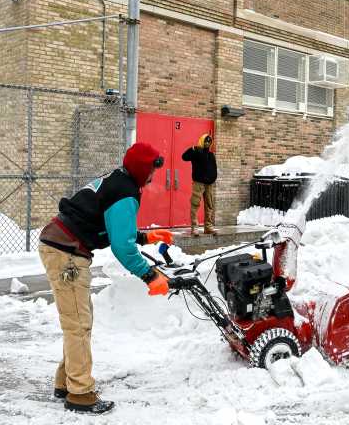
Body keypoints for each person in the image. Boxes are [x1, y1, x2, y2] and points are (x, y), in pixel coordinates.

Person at [38, 142, 174, 415]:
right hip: (66, 252)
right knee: (78, 325)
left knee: (79, 321)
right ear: (142, 169)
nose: (152, 177)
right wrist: (150, 275)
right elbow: (122, 247)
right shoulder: (125, 191)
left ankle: (66, 382)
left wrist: (146, 237)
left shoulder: (118, 181)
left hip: (62, 245)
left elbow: (111, 224)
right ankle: (80, 394)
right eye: (151, 171)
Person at [182, 133, 218, 236]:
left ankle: (208, 227)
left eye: (209, 142)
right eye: (206, 141)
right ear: (202, 141)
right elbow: (184, 157)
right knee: (195, 205)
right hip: (198, 183)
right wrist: (192, 149)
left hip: (209, 184)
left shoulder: (211, 155)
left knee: (209, 205)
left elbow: (214, 168)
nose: (207, 143)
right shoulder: (196, 152)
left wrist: (213, 178)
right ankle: (194, 228)